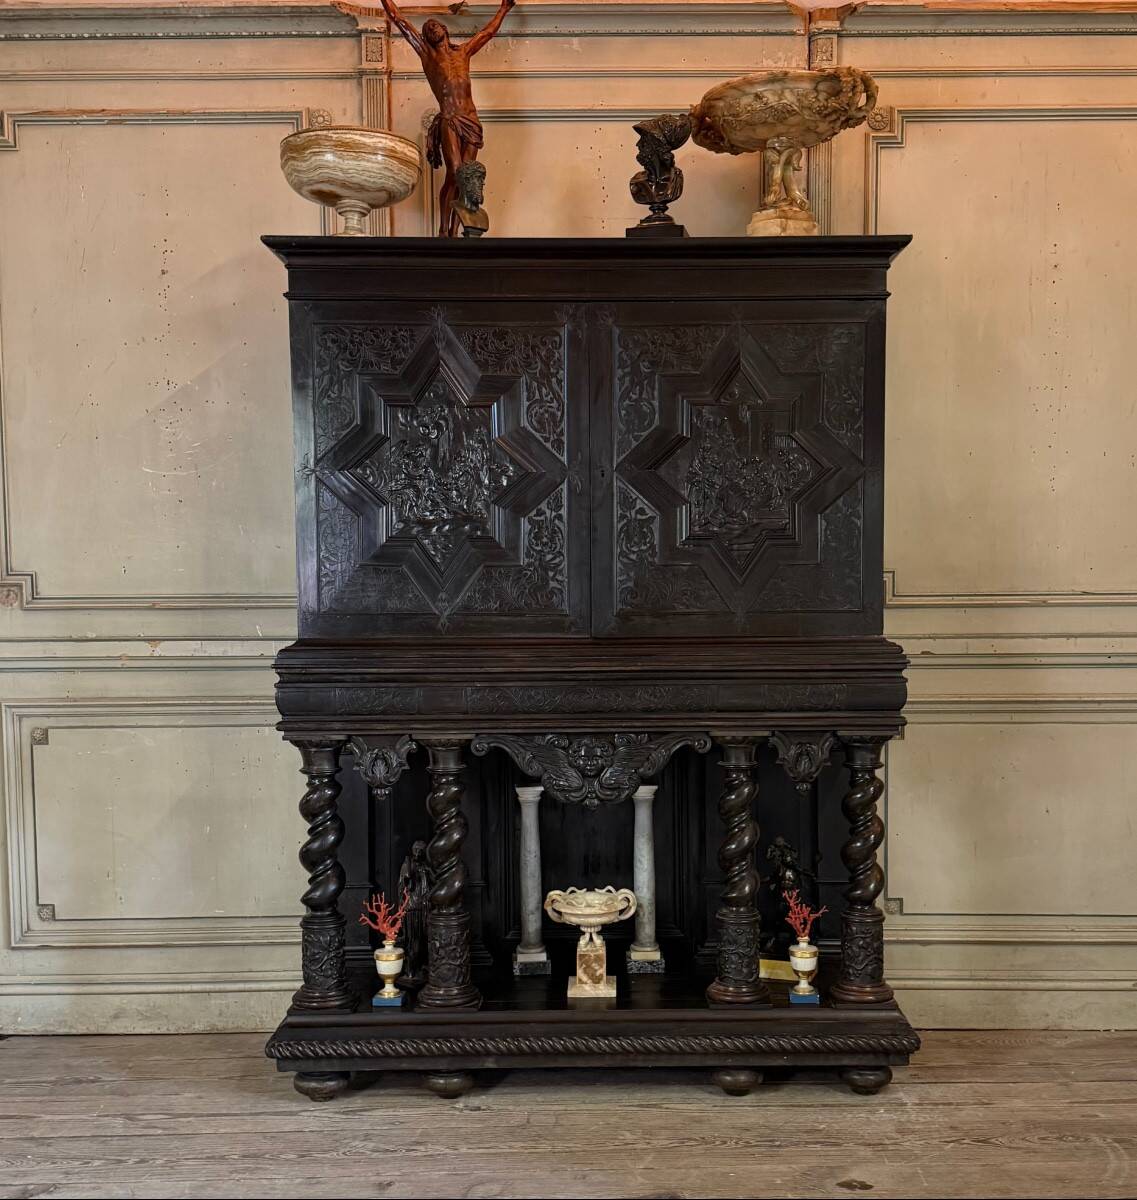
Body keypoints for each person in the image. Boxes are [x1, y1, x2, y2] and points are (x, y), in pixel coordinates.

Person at [377, 0, 516, 237]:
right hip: (449, 119)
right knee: (455, 172)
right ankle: (444, 230)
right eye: (427, 28)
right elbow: (399, 20)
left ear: (444, 28)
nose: (431, 27)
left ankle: (456, 228)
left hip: (471, 120)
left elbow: (487, 33)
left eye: (434, 24)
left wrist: (504, 8)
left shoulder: (463, 52)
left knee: (467, 175)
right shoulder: (427, 56)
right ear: (426, 37)